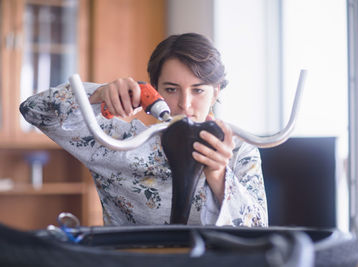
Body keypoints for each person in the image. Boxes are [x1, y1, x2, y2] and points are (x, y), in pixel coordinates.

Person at [20, 33, 268, 227]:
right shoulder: (117, 142)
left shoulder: (238, 150)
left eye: (198, 90)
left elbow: (258, 232)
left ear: (216, 91)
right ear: (155, 90)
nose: (185, 104)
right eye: (171, 89)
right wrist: (97, 95)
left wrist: (218, 175)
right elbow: (34, 110)